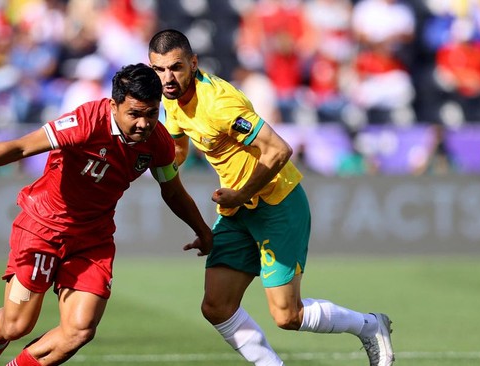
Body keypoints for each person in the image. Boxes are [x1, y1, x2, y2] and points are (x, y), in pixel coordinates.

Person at [0, 63, 212, 366]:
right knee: (16, 326)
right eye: (134, 113)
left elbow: (172, 190)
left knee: (79, 331)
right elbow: (21, 148)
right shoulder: (86, 122)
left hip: (93, 239)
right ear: (114, 105)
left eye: (151, 113)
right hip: (43, 227)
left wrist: (202, 230)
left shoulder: (157, 143)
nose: (144, 124)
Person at [148, 29, 394, 366]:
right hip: (237, 209)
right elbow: (177, 147)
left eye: (175, 67)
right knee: (216, 307)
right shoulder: (172, 99)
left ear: (193, 63)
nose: (167, 78)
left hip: (277, 202)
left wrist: (241, 193)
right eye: (158, 70)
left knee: (286, 315)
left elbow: (279, 149)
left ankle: (369, 326)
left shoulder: (220, 103)